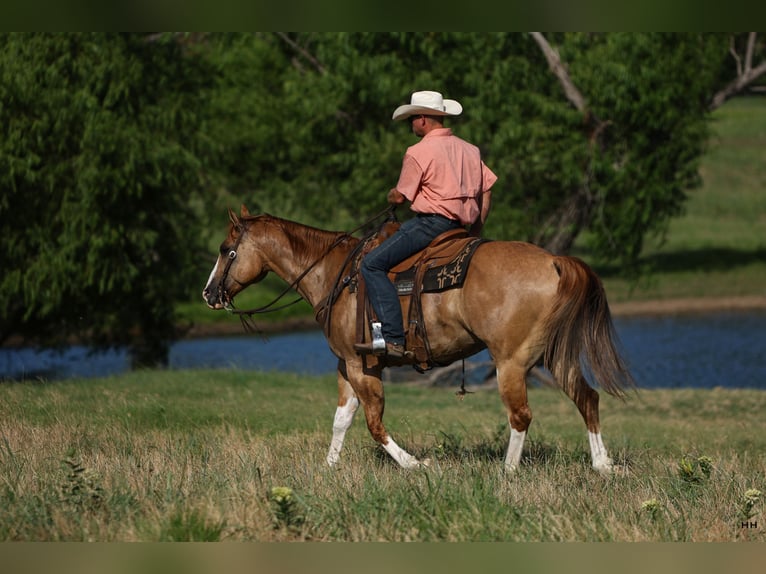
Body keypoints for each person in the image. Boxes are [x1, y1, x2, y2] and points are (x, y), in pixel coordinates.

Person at [354, 90, 498, 359]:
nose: (411, 124)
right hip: (460, 229)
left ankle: (393, 338)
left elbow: (400, 195)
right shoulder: (471, 149)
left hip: (430, 225)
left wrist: (391, 195)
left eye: (411, 118)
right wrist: (475, 232)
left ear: (422, 119)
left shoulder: (418, 151)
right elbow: (486, 191)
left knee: (371, 264)